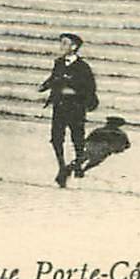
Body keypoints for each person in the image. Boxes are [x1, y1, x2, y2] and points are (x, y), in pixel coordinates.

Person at [38, 32, 99, 188]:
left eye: (65, 43)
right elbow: (54, 77)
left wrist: (73, 92)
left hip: (75, 107)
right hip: (59, 105)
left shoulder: (83, 67)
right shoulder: (59, 62)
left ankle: (78, 163)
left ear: (74, 47)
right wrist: (45, 86)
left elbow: (90, 88)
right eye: (61, 43)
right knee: (56, 137)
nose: (61, 46)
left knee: (77, 136)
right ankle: (61, 166)